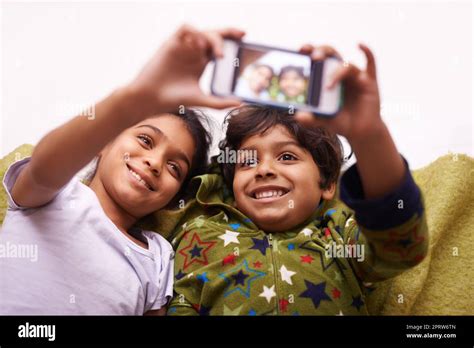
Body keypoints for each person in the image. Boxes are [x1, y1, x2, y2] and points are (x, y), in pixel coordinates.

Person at [168, 44, 429, 315]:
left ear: (327, 184)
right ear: (232, 185)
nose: (264, 169)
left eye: (287, 157)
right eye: (247, 161)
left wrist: (369, 134)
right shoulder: (199, 236)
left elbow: (400, 247)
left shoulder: (338, 237)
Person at [0, 26, 244, 315]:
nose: (154, 163)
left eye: (174, 167)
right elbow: (45, 166)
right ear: (103, 142)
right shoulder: (55, 191)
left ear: (173, 196)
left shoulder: (157, 256)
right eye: (145, 140)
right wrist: (135, 98)